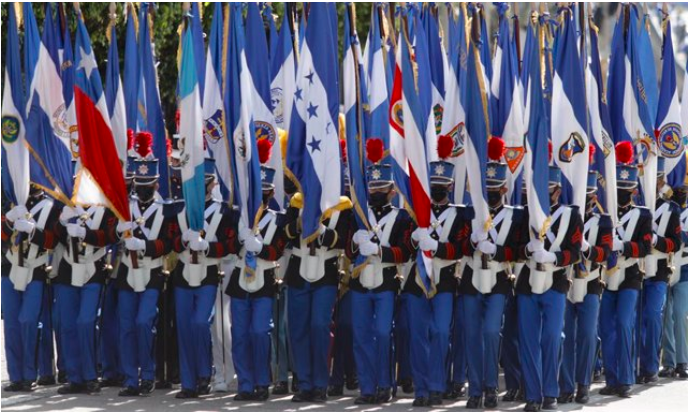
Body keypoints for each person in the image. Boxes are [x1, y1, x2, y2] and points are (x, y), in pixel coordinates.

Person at [405, 137, 473, 407]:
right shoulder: (415, 213)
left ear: (451, 186)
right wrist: (414, 238)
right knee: (418, 334)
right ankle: (422, 389)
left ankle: (437, 385)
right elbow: (402, 242)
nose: (438, 190)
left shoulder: (458, 214)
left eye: (442, 186)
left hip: (444, 278)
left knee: (441, 332)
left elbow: (462, 247)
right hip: (417, 279)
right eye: (433, 186)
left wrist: (438, 247)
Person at [462, 138, 528, 409]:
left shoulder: (515, 216)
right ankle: (475, 390)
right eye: (485, 187)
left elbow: (521, 250)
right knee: (471, 335)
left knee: (491, 332)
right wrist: (472, 242)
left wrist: (497, 251)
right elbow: (457, 245)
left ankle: (491, 386)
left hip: (499, 278)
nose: (490, 192)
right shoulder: (470, 213)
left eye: (494, 188)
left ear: (503, 188)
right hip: (471, 277)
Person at [347, 140, 413, 405]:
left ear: (391, 190)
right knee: (361, 335)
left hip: (386, 281)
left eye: (380, 187)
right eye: (372, 186)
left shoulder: (401, 218)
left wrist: (379, 251)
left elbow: (406, 251)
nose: (375, 191)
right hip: (361, 282)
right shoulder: (358, 216)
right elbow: (348, 250)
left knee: (384, 333)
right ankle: (367, 386)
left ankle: (385, 384)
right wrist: (354, 242)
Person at [283, 163, 353, 403]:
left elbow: (343, 240)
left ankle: (321, 382)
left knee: (319, 326)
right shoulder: (297, 202)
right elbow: (283, 234)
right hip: (299, 270)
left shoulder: (343, 206)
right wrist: (298, 225)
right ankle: (304, 383)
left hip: (325, 271)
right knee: (298, 328)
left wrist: (321, 229)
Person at [517, 164, 583, 412]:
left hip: (555, 282)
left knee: (552, 337)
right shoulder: (525, 214)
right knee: (529, 340)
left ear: (557, 191)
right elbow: (514, 248)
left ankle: (550, 392)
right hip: (527, 282)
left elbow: (575, 253)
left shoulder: (571, 215)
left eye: (550, 191)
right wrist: (527, 250)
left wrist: (553, 258)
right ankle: (533, 395)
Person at [172, 158, 240, 399]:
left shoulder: (223, 212)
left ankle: (204, 373)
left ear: (212, 185)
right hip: (183, 273)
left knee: (201, 323)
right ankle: (188, 382)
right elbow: (169, 239)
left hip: (209, 273)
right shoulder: (178, 209)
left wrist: (209, 247)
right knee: (184, 327)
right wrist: (181, 241)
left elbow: (231, 244)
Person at [226, 140, 288, 401]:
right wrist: (239, 238)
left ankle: (263, 381)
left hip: (263, 278)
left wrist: (260, 249)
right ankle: (246, 384)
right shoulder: (236, 217)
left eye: (265, 191)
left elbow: (278, 250)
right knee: (239, 334)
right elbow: (227, 245)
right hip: (240, 278)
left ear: (271, 193)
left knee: (260, 332)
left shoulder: (279, 218)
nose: (261, 196)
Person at [116, 150, 178, 397]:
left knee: (143, 323)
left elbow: (170, 241)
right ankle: (131, 378)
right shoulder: (124, 207)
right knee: (127, 326)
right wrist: (119, 231)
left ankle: (148, 375)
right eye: (139, 184)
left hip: (152, 271)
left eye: (147, 184)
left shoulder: (165, 209)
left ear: (156, 183)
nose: (142, 189)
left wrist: (145, 246)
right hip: (127, 271)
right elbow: (110, 233)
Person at [54, 164, 119, 394]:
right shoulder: (66, 205)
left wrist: (87, 234)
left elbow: (112, 235)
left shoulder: (105, 207)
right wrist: (62, 223)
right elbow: (53, 238)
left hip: (93, 268)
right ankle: (75, 378)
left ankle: (91, 375)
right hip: (68, 269)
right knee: (68, 325)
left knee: (85, 321)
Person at [600, 142, 653, 398]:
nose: (622, 193)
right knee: (607, 328)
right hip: (607, 276)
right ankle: (611, 377)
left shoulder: (642, 215)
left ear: (633, 190)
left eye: (626, 189)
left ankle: (626, 378)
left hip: (630, 275)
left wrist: (626, 246)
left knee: (623, 323)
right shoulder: (605, 214)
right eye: (618, 189)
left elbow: (646, 246)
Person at [559, 166, 612, 404]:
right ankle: (566, 385)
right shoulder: (564, 218)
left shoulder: (603, 222)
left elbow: (607, 253)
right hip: (567, 279)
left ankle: (584, 383)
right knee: (567, 336)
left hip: (590, 282)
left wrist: (588, 249)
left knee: (588, 334)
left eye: (590, 195)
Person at [2, 185, 61, 392]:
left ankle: (30, 373)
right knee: (11, 325)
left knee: (28, 320)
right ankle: (16, 376)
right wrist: (8, 220)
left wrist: (33, 232)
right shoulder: (7, 199)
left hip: (35, 268)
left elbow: (54, 240)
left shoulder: (51, 206)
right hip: (8, 266)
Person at [638, 157, 681, 383]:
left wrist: (657, 241)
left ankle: (650, 366)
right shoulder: (635, 207)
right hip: (634, 270)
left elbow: (676, 243)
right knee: (635, 319)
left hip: (660, 269)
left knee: (653, 316)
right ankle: (635, 365)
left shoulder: (671, 209)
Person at [660, 168, 688, 379]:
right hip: (663, 264)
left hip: (685, 269)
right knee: (665, 316)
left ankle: (682, 360)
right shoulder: (666, 209)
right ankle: (669, 361)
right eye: (679, 187)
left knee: (679, 315)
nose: (681, 190)